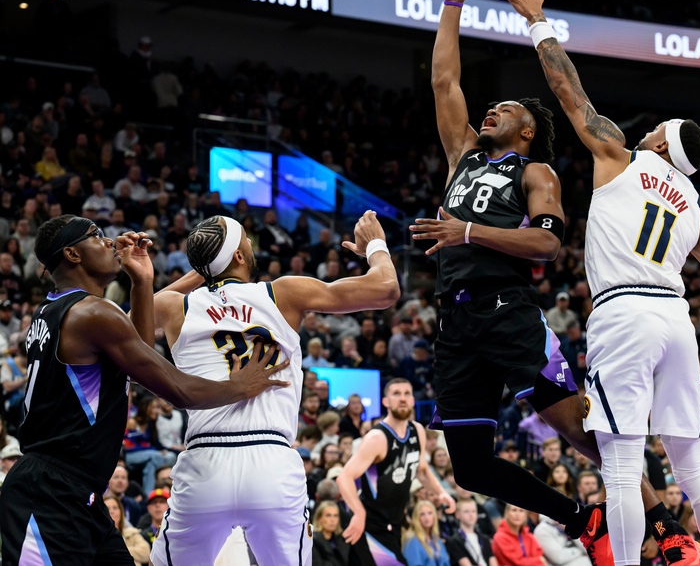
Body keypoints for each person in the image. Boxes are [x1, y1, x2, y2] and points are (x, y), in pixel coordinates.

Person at [415, 0, 679, 566]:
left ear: (529, 130)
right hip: (455, 324)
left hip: (509, 315)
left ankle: (666, 524)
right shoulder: (462, 157)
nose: (491, 110)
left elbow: (546, 244)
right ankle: (583, 520)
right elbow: (444, 84)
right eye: (492, 107)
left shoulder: (535, 172)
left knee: (582, 432)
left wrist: (468, 231)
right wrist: (452, 3)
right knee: (471, 469)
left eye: (507, 109)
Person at [493, 0, 700, 566]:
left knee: (620, 463)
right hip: (676, 321)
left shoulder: (619, 154)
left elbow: (568, 91)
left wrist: (537, 21)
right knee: (692, 466)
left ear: (660, 143)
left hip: (625, 314)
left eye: (655, 128)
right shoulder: (698, 210)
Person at [0, 215, 289, 565]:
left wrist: (142, 282)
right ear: (73, 254)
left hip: (78, 494)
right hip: (49, 494)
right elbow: (177, 389)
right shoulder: (93, 313)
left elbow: (135, 357)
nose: (110, 242)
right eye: (97, 236)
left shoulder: (54, 310)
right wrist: (238, 387)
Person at [148, 211, 400, 565]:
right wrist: (375, 245)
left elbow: (126, 329)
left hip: (205, 460)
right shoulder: (282, 292)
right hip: (270, 458)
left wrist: (199, 273)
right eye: (246, 240)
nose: (252, 242)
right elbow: (386, 289)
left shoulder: (175, 306)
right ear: (239, 256)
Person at [337, 378, 455, 566]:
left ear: (413, 400)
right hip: (372, 525)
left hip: (395, 523)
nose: (402, 398)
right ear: (386, 401)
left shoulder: (417, 430)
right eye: (396, 393)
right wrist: (358, 512)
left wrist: (441, 492)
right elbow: (344, 477)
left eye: (407, 393)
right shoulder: (377, 437)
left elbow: (422, 470)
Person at [447, 499, 498, 566]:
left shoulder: (484, 539)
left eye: (473, 511)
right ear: (457, 515)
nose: (471, 515)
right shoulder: (454, 541)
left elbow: (492, 560)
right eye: (466, 511)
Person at [104, 495, 151, 566]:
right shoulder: (95, 537)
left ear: (121, 512)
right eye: (107, 508)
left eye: (115, 508)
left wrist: (117, 551)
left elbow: (146, 553)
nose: (111, 511)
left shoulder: (132, 533)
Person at [404, 501, 451, 566]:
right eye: (422, 514)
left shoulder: (436, 540)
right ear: (416, 518)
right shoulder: (412, 541)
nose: (427, 517)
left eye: (430, 513)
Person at [311, 500, 347, 566]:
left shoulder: (342, 540)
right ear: (319, 518)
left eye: (335, 515)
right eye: (328, 515)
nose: (332, 520)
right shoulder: (313, 541)